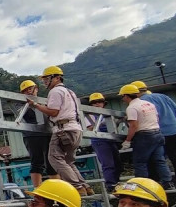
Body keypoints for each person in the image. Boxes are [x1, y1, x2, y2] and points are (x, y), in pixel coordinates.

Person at [27, 66, 94, 196]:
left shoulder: (55, 92)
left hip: (63, 130)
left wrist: (36, 105)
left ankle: (77, 186)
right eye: (44, 79)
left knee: (54, 158)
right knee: (68, 161)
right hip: (75, 129)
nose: (45, 82)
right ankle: (85, 186)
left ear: (57, 78)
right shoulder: (71, 92)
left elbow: (53, 111)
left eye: (47, 78)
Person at [133, 81, 176, 187]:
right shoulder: (163, 97)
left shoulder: (140, 103)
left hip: (156, 133)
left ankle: (159, 182)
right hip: (175, 131)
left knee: (156, 159)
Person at [118, 85, 173, 188]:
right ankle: (167, 182)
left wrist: (128, 140)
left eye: (122, 96)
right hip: (157, 133)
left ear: (126, 96)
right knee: (159, 160)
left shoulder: (132, 108)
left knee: (140, 162)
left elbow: (133, 126)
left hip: (144, 136)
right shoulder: (148, 104)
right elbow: (156, 117)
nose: (122, 99)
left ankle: (142, 186)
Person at [19, 80, 58, 187]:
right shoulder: (22, 106)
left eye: (30, 89)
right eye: (25, 91)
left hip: (48, 134)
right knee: (36, 162)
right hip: (31, 136)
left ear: (36, 89)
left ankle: (57, 188)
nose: (29, 92)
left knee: (52, 162)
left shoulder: (45, 103)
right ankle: (38, 190)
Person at [86, 93, 121, 192]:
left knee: (117, 164)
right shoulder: (89, 115)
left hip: (111, 140)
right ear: (91, 104)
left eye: (99, 102)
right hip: (99, 141)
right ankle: (111, 185)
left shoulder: (108, 113)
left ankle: (116, 183)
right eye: (94, 102)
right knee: (108, 164)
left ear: (103, 103)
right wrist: (102, 123)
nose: (97, 104)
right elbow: (90, 128)